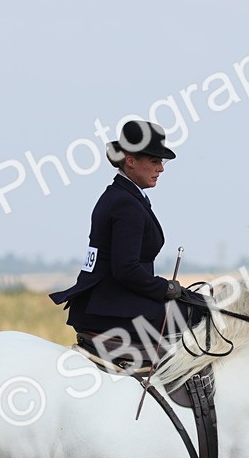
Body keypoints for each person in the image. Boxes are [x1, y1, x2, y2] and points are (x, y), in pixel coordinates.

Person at [50, 120, 186, 366]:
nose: (161, 169)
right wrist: (164, 288)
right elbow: (126, 269)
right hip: (111, 307)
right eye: (155, 161)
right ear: (131, 161)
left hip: (108, 301)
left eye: (161, 162)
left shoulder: (124, 195)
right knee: (201, 319)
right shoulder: (125, 203)